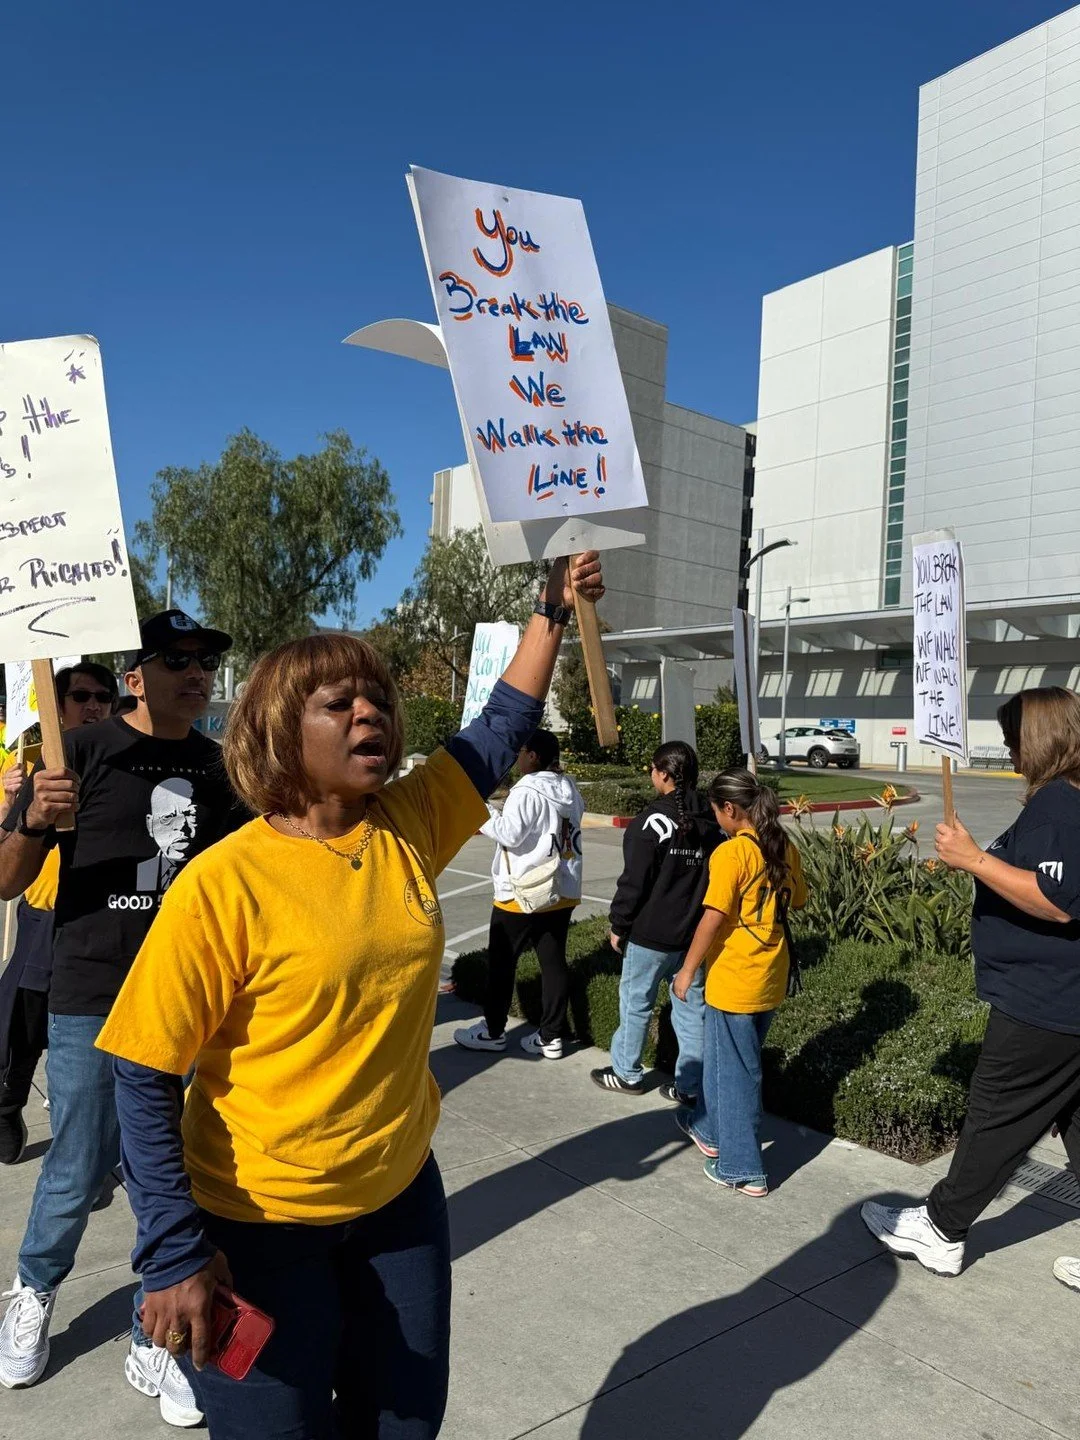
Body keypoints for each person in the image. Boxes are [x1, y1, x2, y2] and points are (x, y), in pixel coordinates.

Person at [94, 555, 603, 1440]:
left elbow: (499, 726)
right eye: (339, 702)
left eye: (377, 698)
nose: (371, 710)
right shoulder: (223, 884)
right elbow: (140, 1074)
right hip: (253, 1228)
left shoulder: (407, 822)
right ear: (280, 730)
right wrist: (172, 1251)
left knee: (403, 1424)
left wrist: (551, 615)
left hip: (399, 1203)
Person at [0, 610, 244, 1429]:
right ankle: (33, 1290)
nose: (197, 671)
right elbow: (5, 880)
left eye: (207, 660)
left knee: (172, 1174)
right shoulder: (82, 755)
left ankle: (163, 1326)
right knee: (76, 1164)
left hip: (191, 1003)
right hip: (93, 995)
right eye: (176, 658)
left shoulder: (220, 772)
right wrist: (36, 816)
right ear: (135, 676)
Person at [863, 687, 1080, 1283]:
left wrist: (973, 860)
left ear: (1041, 738)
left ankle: (941, 1229)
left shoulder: (1059, 806)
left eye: (1014, 735)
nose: (1009, 746)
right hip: (1065, 1003)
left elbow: (1057, 901)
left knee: (995, 1116)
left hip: (1045, 1004)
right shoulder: (1070, 801)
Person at [0, 663, 120, 1164]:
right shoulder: (32, 768)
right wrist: (14, 801)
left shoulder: (123, 764)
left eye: (102, 697)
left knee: (88, 1043)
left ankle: (87, 1147)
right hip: (43, 917)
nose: (92, 705)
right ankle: (7, 1105)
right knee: (22, 1029)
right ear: (59, 705)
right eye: (80, 696)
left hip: (99, 920)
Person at [671, 768, 807, 1197]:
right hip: (769, 973)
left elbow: (712, 917)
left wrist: (687, 970)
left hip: (735, 978)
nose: (717, 819)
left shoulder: (731, 854)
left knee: (738, 1073)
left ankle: (742, 1167)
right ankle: (711, 1130)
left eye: (716, 812)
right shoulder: (782, 844)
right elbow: (798, 899)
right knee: (722, 1060)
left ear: (729, 809)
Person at [591, 741, 721, 1101]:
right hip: (694, 937)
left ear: (663, 774)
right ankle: (690, 1085)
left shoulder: (650, 822)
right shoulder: (713, 820)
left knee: (636, 1004)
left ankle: (626, 1073)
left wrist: (618, 924)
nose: (651, 773)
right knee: (692, 1009)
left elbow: (634, 883)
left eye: (652, 768)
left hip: (650, 936)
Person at [453, 728, 585, 1060]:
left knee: (501, 964)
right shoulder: (569, 788)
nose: (518, 759)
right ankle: (551, 1036)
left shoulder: (526, 790)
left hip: (522, 892)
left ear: (533, 757)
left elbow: (509, 834)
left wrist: (481, 810)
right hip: (561, 888)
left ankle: (493, 1031)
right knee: (553, 963)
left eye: (522, 752)